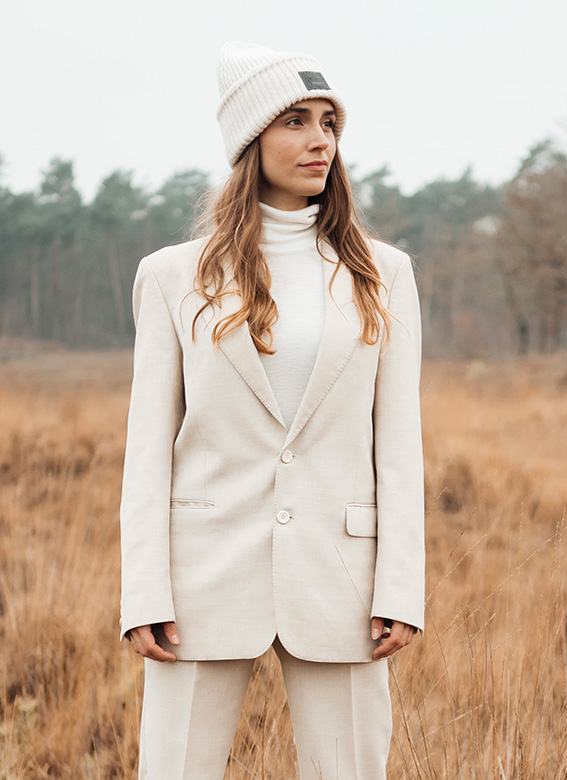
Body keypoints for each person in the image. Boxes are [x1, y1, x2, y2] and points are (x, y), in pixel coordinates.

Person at [120, 41, 425, 780]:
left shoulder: (382, 272)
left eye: (329, 122)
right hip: (201, 575)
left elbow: (399, 444)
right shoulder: (171, 278)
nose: (320, 139)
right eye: (296, 120)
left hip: (342, 578)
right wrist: (143, 593)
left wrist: (400, 587)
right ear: (249, 141)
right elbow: (147, 448)